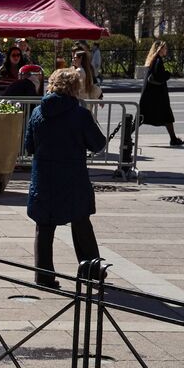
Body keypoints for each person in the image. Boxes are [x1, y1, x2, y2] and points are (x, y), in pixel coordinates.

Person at [24, 68, 106, 289]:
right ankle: (91, 272)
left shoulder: (38, 113)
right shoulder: (80, 114)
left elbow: (29, 146)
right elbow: (98, 144)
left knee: (44, 227)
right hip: (73, 178)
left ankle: (43, 276)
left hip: (44, 179)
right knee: (81, 224)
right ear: (74, 87)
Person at [139, 40, 184, 147]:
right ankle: (173, 139)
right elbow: (157, 77)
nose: (166, 50)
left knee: (144, 117)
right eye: (165, 48)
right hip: (157, 96)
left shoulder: (153, 59)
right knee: (165, 116)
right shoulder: (158, 60)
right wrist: (167, 75)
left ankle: (173, 139)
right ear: (160, 49)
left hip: (151, 95)